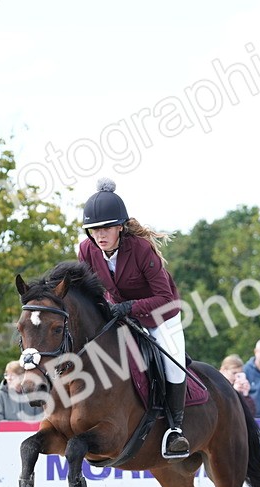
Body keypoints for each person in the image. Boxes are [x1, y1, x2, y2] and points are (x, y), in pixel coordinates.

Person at [77, 178, 190, 458]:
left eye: (105, 228)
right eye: (94, 229)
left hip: (161, 316)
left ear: (120, 227)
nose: (99, 235)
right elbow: (88, 291)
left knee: (172, 363)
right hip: (121, 314)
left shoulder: (140, 248)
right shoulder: (86, 250)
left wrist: (128, 307)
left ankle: (175, 429)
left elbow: (165, 298)